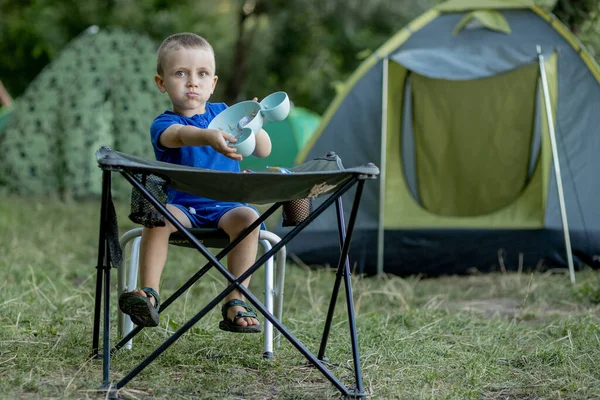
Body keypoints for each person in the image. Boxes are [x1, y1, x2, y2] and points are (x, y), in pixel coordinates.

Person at [118, 32, 272, 333]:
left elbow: (263, 149)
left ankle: (235, 301)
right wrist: (209, 137)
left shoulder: (226, 116)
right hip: (182, 208)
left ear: (213, 84)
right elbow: (180, 136)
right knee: (158, 215)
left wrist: (254, 121)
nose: (193, 82)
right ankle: (149, 294)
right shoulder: (163, 124)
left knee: (249, 217)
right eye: (180, 73)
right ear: (161, 83)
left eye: (202, 74)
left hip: (226, 209)